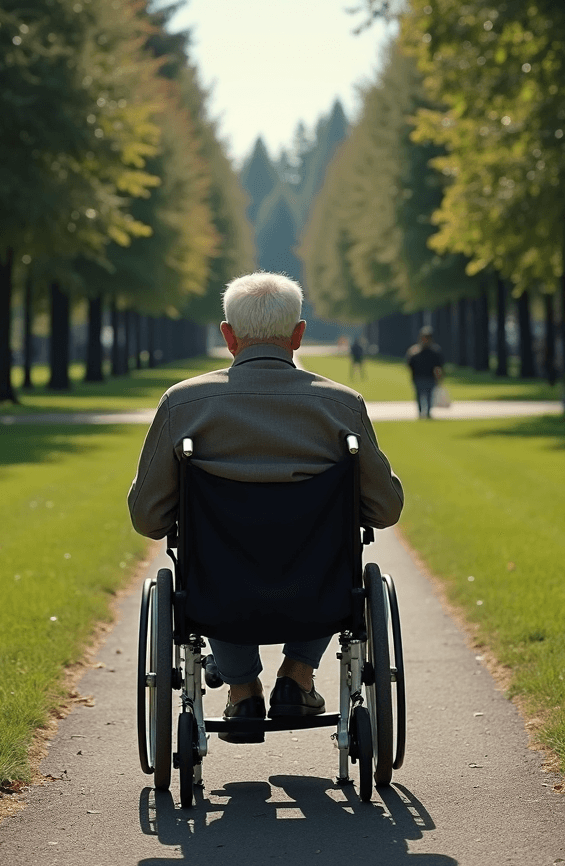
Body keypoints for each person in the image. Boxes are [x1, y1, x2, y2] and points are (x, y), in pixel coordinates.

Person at [128, 272, 403, 741]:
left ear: (228, 335)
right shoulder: (341, 405)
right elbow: (385, 509)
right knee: (329, 555)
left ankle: (240, 689)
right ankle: (297, 676)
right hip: (317, 588)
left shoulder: (184, 404)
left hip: (220, 588)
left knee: (217, 560)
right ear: (298, 335)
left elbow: (148, 517)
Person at [406, 325, 444, 419]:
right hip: (418, 377)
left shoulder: (433, 352)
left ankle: (427, 412)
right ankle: (420, 412)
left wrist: (439, 377)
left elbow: (438, 367)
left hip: (429, 377)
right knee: (419, 396)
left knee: (429, 396)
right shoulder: (415, 352)